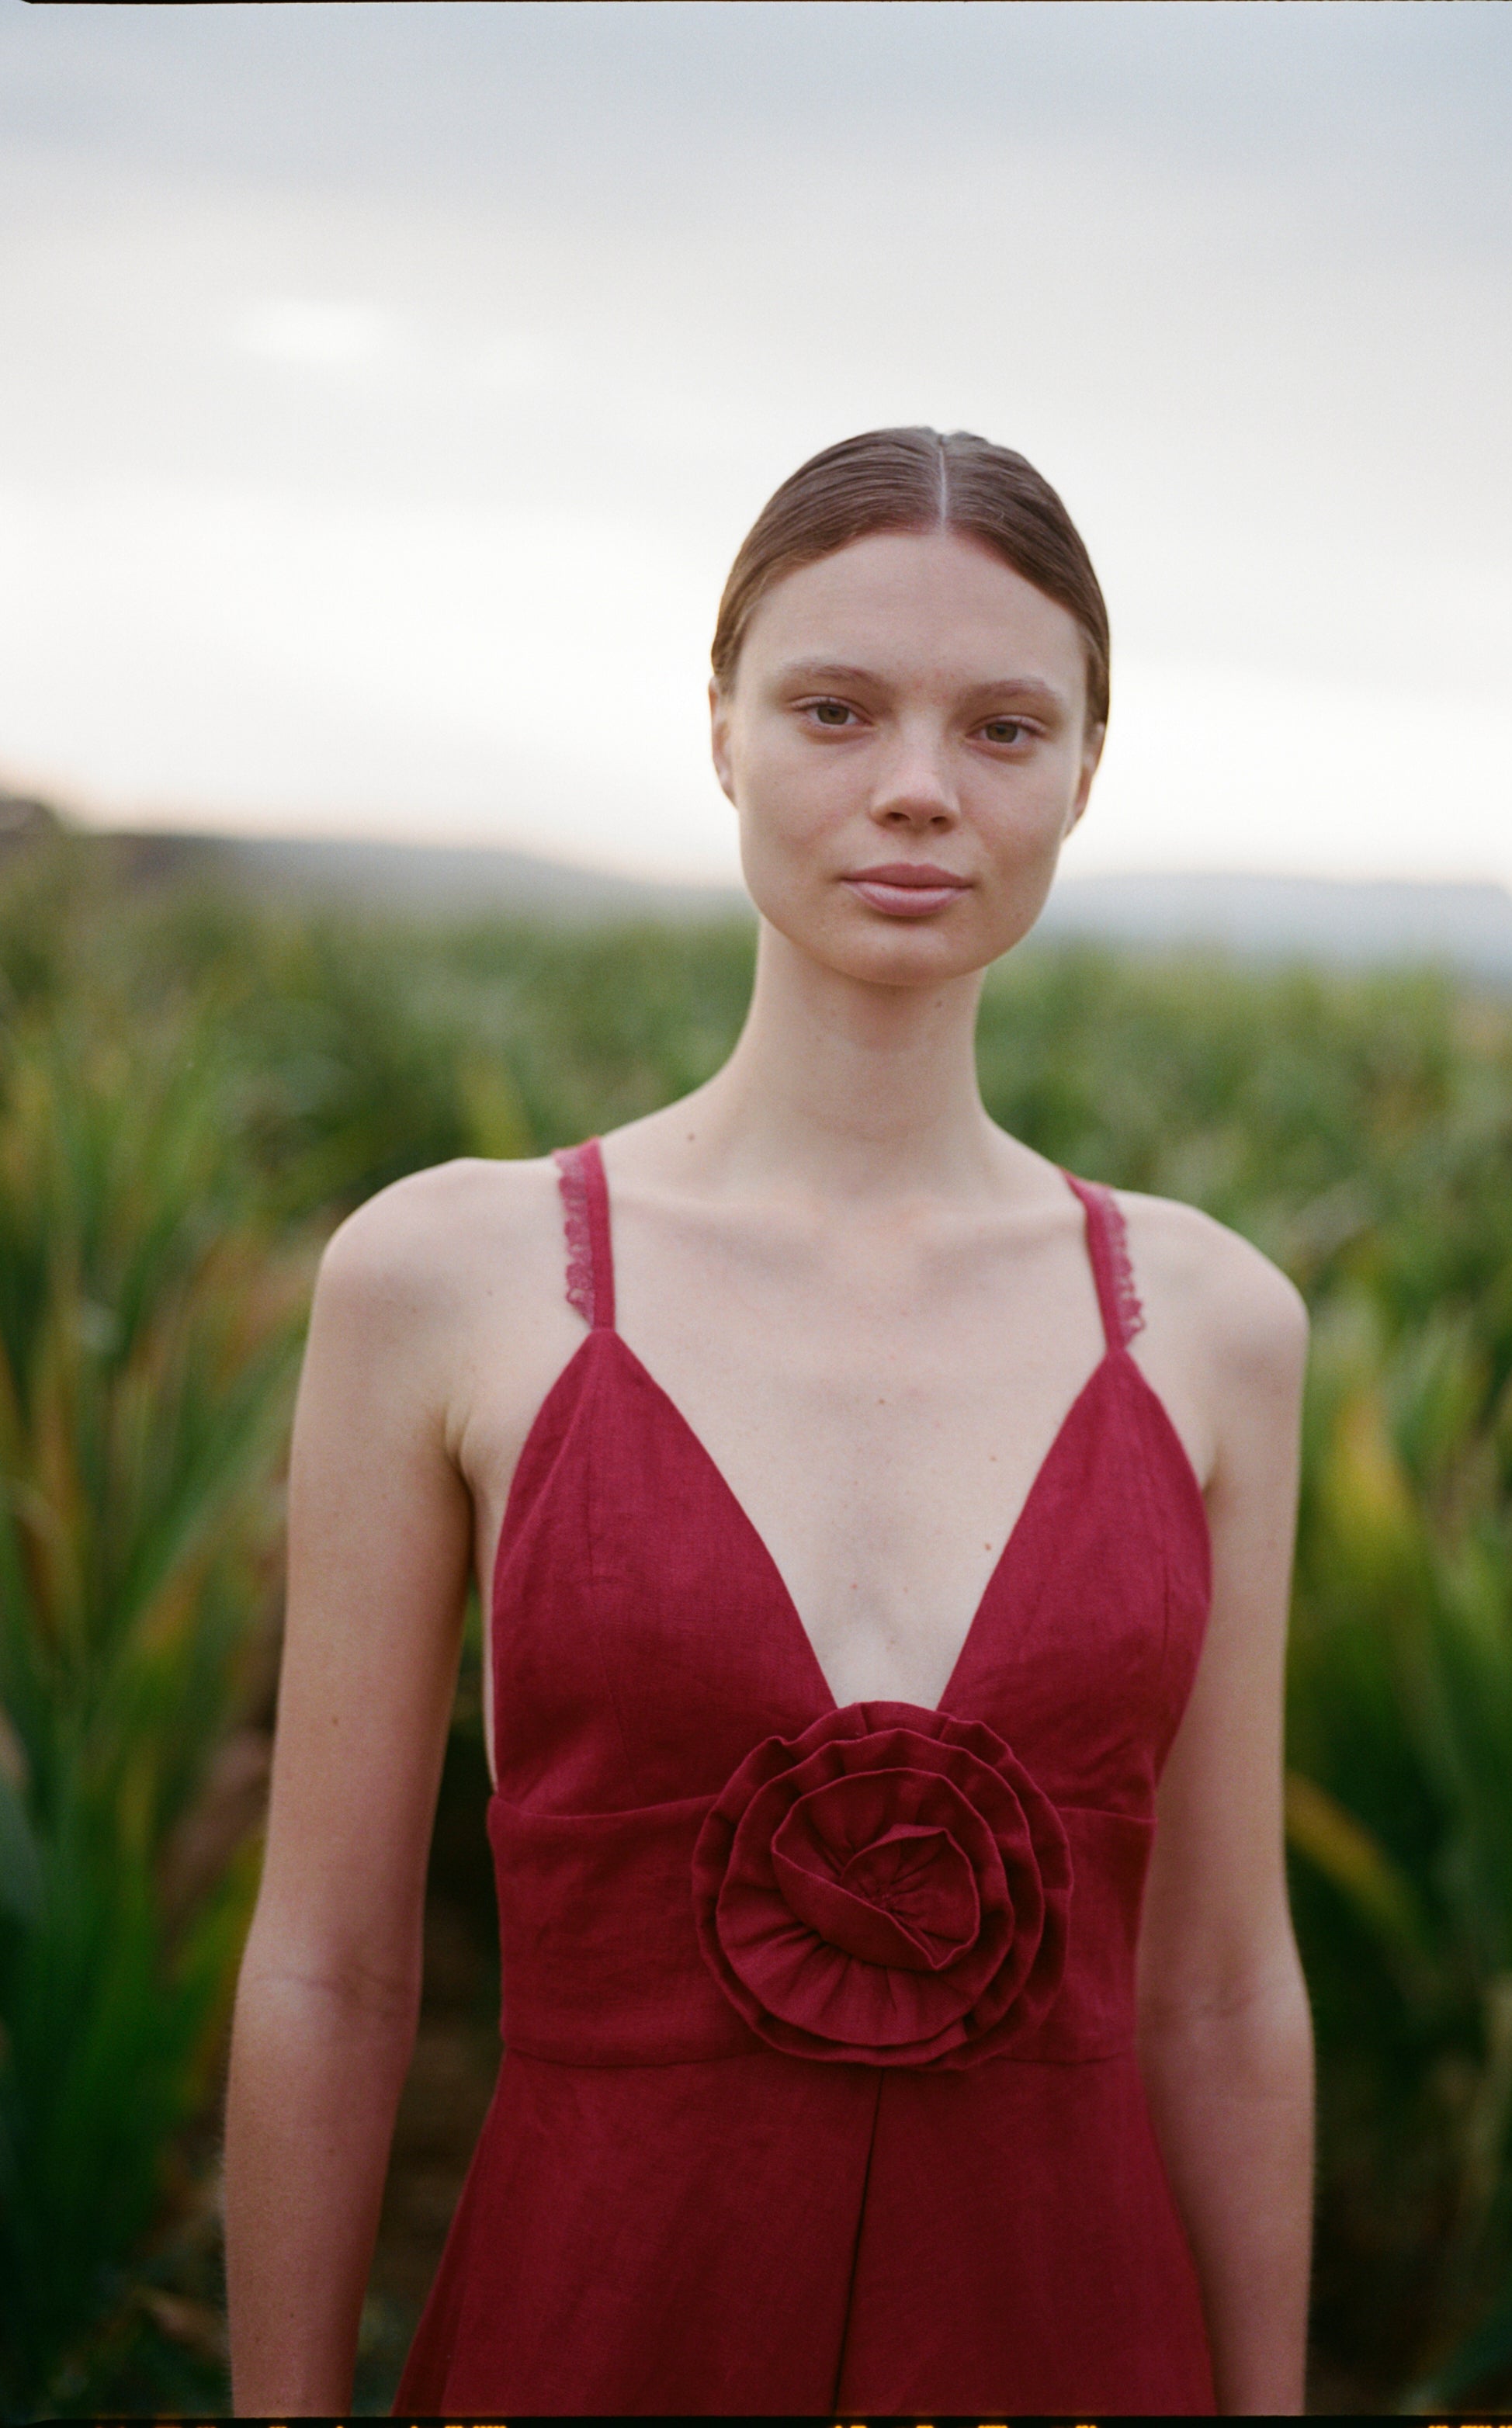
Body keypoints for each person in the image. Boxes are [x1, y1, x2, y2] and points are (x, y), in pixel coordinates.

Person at [224, 425, 1314, 2416]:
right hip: (593, 2330)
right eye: (836, 707)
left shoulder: (1218, 1325)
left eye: (1004, 725)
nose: (917, 784)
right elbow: (331, 1971)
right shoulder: (442, 1280)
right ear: (720, 728)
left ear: (1085, 770)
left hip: (1076, 2338)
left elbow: (1224, 1990)